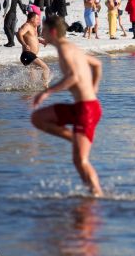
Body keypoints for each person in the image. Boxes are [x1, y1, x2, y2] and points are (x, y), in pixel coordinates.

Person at [31, 16, 104, 197]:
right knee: (37, 118)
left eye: (44, 31)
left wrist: (47, 92)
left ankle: (97, 195)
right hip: (82, 107)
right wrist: (94, 87)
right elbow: (97, 64)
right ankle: (73, 138)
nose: (42, 34)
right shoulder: (72, 48)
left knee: (81, 161)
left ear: (53, 32)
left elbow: (73, 77)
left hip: (87, 110)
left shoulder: (65, 49)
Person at [17, 10, 50, 86]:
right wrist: (24, 44)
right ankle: (45, 87)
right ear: (32, 19)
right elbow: (19, 34)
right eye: (37, 19)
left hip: (31, 55)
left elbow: (32, 38)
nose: (39, 21)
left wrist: (41, 41)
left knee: (32, 81)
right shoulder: (27, 25)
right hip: (27, 54)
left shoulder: (33, 28)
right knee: (45, 68)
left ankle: (29, 93)